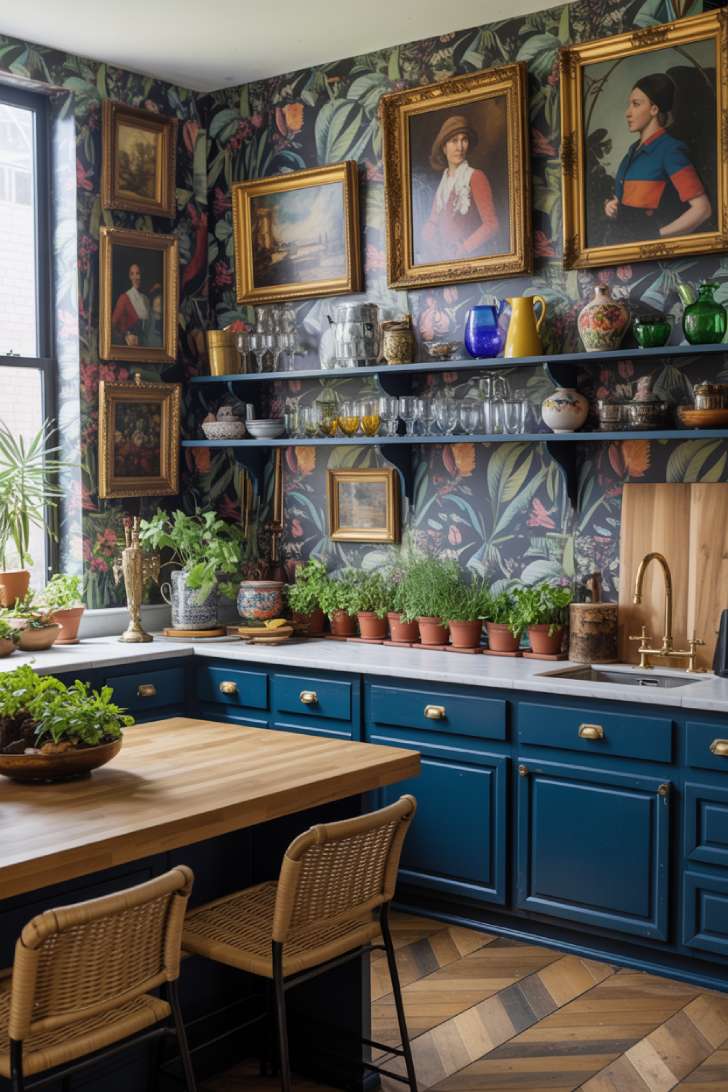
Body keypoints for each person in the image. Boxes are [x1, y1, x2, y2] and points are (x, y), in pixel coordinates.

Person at [603, 73, 711, 242]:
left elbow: (702, 209)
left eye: (636, 104)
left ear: (654, 109)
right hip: (621, 245)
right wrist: (611, 208)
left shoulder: (670, 150)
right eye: (629, 105)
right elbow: (622, 201)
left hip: (650, 251)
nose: (627, 113)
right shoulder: (632, 152)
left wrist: (657, 236)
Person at [420, 114, 499, 262]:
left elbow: (492, 225)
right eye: (454, 141)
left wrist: (464, 248)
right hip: (447, 261)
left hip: (473, 259)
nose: (460, 147)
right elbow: (433, 221)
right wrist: (424, 238)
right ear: (444, 147)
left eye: (464, 140)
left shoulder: (475, 177)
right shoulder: (443, 184)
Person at [111, 263, 149, 347]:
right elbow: (112, 325)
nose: (135, 277)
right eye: (132, 274)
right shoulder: (124, 298)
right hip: (129, 346)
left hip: (145, 345)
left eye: (137, 273)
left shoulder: (145, 299)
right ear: (129, 277)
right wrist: (125, 336)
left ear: (141, 275)